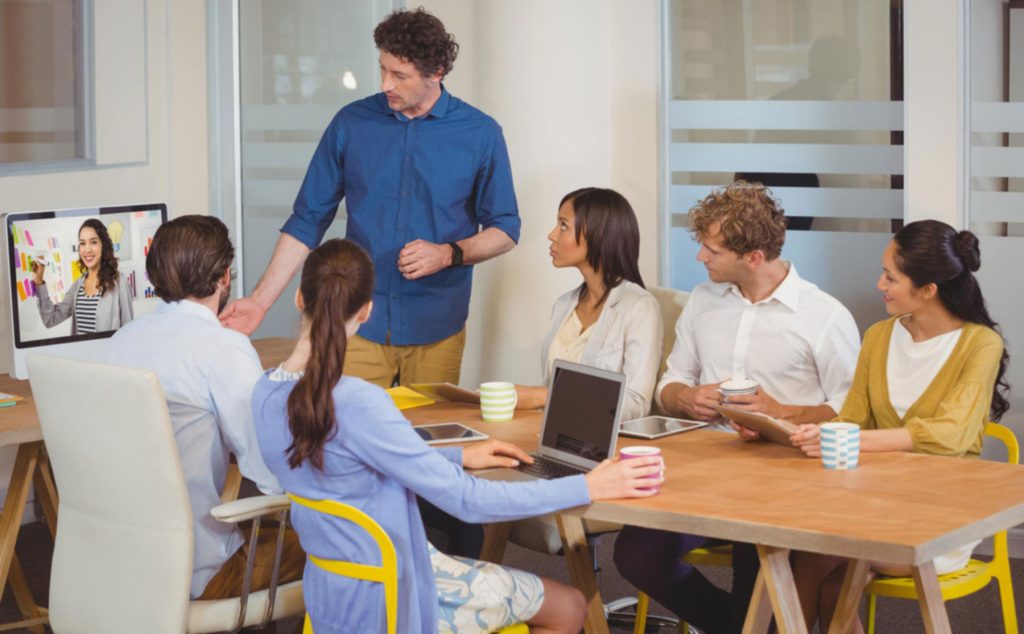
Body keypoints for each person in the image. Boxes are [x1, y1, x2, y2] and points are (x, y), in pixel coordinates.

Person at [252, 238, 664, 634]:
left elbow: (348, 466)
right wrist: (587, 485)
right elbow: (469, 501)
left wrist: (458, 458)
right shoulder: (360, 402)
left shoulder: (265, 393)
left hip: (331, 592)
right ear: (366, 312)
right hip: (398, 593)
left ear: (299, 299)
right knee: (570, 606)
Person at [220, 7, 520, 390]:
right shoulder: (352, 123)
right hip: (358, 322)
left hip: (437, 325)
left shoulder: (481, 134)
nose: (385, 85)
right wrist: (259, 301)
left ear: (436, 73)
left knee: (424, 440)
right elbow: (307, 220)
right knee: (347, 437)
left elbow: (506, 228)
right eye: (382, 69)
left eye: (399, 75)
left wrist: (448, 253)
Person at [612, 181, 860, 634]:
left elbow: (851, 410)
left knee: (757, 561)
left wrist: (780, 410)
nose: (700, 258)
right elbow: (671, 383)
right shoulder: (704, 302)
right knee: (635, 554)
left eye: (712, 250)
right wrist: (686, 398)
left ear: (754, 257)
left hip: (783, 483)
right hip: (707, 470)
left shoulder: (824, 316)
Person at [790, 220, 1010, 633]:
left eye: (891, 276)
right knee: (819, 568)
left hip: (942, 512)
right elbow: (851, 419)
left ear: (928, 290)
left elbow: (951, 434)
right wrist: (803, 428)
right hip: (872, 498)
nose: (879, 284)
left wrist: (852, 440)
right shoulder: (878, 336)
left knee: (816, 550)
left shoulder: (980, 344)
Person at [107, 215, 304, 600]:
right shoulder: (223, 350)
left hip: (126, 562)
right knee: (339, 544)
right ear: (225, 276)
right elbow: (268, 470)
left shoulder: (121, 341)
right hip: (200, 572)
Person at [516, 187, 662, 421]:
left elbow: (636, 404)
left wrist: (547, 396)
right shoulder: (563, 305)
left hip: (601, 447)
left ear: (597, 233)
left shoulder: (639, 307)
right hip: (552, 434)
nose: (552, 235)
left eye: (563, 225)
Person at [33, 218, 133, 334]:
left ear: (104, 246)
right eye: (82, 243)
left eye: (94, 242)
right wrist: (38, 280)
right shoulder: (77, 286)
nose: (87, 249)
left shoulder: (120, 283)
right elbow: (50, 319)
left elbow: (129, 332)